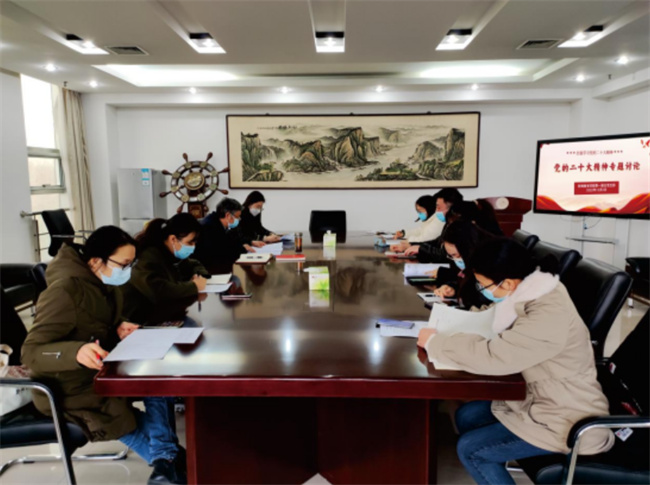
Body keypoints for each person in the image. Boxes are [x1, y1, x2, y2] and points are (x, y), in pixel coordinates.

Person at [417, 239, 614, 485]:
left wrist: (437, 344)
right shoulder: (530, 292)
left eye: (483, 285)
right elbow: (490, 320)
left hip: (565, 417)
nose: (481, 289)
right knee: (468, 416)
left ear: (508, 283)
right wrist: (448, 329)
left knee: (471, 450)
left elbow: (495, 357)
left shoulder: (548, 314)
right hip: (538, 399)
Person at [21, 227, 186, 485]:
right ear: (97, 261)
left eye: (132, 264)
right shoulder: (64, 291)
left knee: (158, 382)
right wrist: (75, 351)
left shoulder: (104, 283)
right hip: (69, 390)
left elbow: (92, 323)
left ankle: (167, 462)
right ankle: (171, 467)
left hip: (99, 374)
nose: (128, 271)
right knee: (174, 457)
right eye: (124, 264)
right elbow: (30, 351)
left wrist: (117, 327)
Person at [123, 213, 209, 324]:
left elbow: (193, 264)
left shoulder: (169, 253)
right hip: (139, 320)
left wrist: (199, 275)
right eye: (190, 242)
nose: (193, 247)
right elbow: (159, 291)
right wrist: (194, 286)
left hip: (162, 313)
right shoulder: (147, 256)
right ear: (173, 239)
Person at [427, 220, 492, 308]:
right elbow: (466, 280)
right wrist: (453, 288)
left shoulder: (491, 264)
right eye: (451, 256)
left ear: (468, 249)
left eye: (456, 255)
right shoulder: (472, 261)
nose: (455, 259)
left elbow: (480, 299)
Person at [193, 198, 262, 269]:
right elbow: (222, 251)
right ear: (228, 215)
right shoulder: (209, 227)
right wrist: (242, 249)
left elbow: (232, 241)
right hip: (206, 268)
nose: (239, 220)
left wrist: (247, 243)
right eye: (237, 217)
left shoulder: (219, 222)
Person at [393, 188, 463, 252]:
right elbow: (435, 243)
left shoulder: (460, 228)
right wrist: (410, 243)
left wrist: (410, 243)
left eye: (439, 207)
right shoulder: (448, 224)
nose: (436, 211)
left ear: (452, 208)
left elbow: (441, 253)